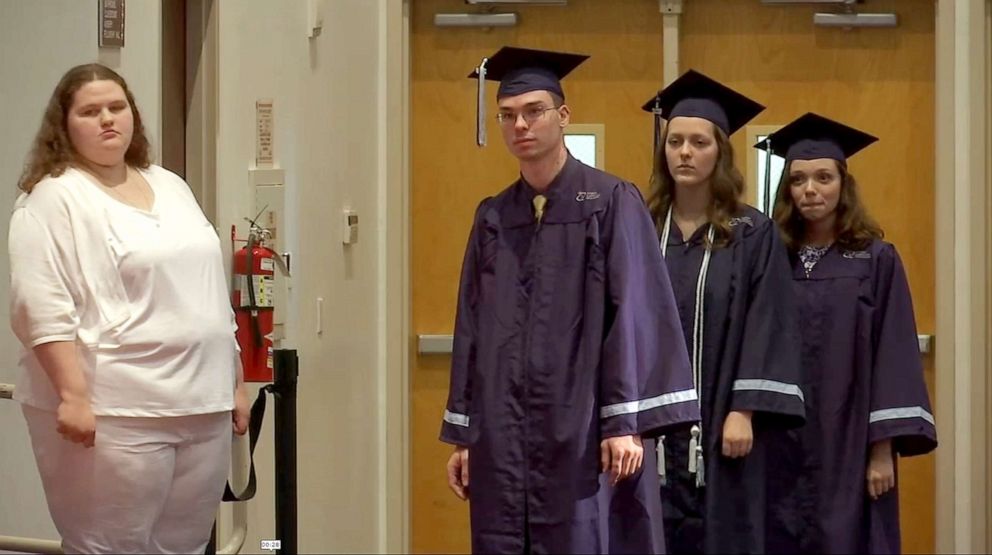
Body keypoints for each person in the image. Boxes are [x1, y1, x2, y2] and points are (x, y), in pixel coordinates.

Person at [440, 46, 701, 554]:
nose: (521, 125)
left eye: (534, 111)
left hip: (582, 426)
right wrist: (467, 433)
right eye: (508, 116)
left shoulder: (609, 202)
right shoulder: (493, 217)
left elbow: (634, 317)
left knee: (584, 536)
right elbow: (471, 326)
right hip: (503, 429)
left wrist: (623, 422)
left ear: (563, 117)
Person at [8, 63, 249, 554]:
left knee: (182, 546)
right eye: (90, 111)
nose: (107, 120)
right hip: (118, 409)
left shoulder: (169, 184)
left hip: (202, 402)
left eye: (116, 108)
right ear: (65, 124)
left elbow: (206, 290)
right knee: (110, 546)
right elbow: (41, 305)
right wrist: (72, 395)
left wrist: (235, 383)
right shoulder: (53, 198)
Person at [641, 69, 806, 554]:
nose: (685, 153)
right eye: (675, 142)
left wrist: (743, 410)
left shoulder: (752, 232)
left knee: (724, 533)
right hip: (651, 423)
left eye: (699, 142)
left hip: (722, 422)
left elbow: (767, 322)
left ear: (720, 152)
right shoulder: (642, 225)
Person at [760, 112, 937, 554]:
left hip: (850, 436)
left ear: (843, 184)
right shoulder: (770, 258)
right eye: (798, 179)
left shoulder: (875, 260)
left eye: (823, 177)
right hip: (778, 436)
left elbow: (893, 355)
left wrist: (882, 451)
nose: (811, 190)